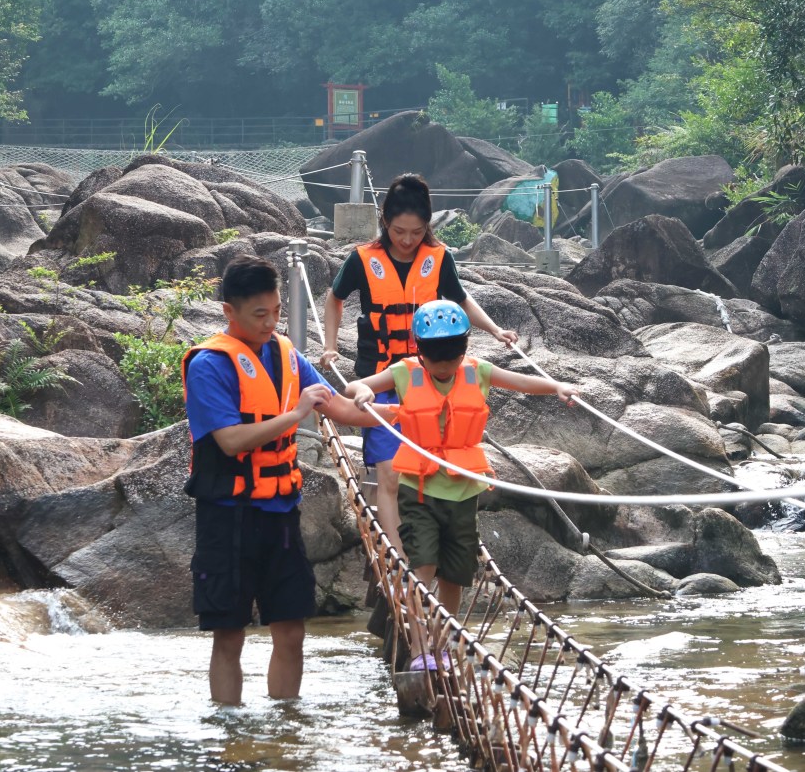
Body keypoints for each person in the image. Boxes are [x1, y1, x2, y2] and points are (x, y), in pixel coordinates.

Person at [182, 254, 392, 705]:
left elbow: (340, 406)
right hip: (228, 516)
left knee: (292, 630)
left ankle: (286, 727)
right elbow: (232, 441)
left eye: (277, 311)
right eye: (260, 314)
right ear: (229, 312)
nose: (271, 322)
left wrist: (398, 413)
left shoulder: (286, 355)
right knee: (229, 635)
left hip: (279, 514)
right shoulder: (209, 365)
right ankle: (231, 734)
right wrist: (295, 414)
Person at [344, 300, 577, 670]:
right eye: (436, 362)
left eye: (451, 361)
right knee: (421, 568)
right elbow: (355, 385)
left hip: (464, 494)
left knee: (454, 575)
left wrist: (558, 387)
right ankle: (420, 651)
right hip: (419, 492)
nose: (444, 369)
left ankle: (442, 642)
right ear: (420, 351)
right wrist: (363, 392)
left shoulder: (477, 371)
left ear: (464, 350)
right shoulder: (404, 373)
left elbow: (522, 382)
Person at [320, 173, 516, 557]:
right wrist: (329, 345)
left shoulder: (439, 258)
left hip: (430, 378)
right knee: (391, 472)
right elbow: (333, 299)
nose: (407, 240)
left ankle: (429, 542)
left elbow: (461, 300)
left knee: (425, 469)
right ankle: (397, 558)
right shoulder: (363, 259)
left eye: (415, 231)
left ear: (427, 226)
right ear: (384, 221)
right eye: (398, 231)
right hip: (381, 377)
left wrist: (495, 330)